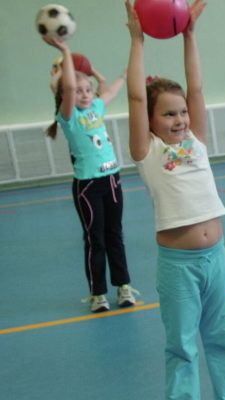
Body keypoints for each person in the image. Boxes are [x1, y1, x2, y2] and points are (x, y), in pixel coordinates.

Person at [124, 1, 225, 398]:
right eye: (168, 115)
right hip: (178, 266)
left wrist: (190, 36)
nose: (179, 120)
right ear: (152, 122)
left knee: (224, 340)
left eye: (182, 113)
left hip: (217, 259)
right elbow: (136, 99)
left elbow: (196, 88)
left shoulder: (196, 142)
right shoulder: (148, 153)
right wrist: (137, 40)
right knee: (182, 346)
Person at [44, 37, 138, 313]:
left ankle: (123, 286)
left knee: (115, 235)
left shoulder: (96, 107)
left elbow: (110, 90)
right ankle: (98, 293)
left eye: (89, 90)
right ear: (67, 97)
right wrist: (65, 51)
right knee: (94, 239)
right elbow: (70, 86)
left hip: (112, 180)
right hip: (87, 185)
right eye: (80, 91)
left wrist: (121, 74)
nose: (86, 94)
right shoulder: (68, 117)